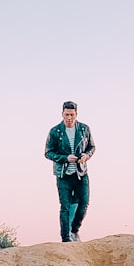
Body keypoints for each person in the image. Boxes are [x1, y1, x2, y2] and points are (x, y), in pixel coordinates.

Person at [44, 101, 96, 243]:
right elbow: (48, 153)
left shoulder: (84, 129)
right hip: (63, 175)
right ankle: (66, 239)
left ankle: (74, 230)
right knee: (65, 207)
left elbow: (92, 147)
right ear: (62, 114)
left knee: (84, 203)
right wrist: (65, 158)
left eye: (72, 115)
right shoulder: (55, 131)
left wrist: (86, 156)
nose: (69, 118)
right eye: (66, 114)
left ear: (76, 114)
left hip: (81, 173)